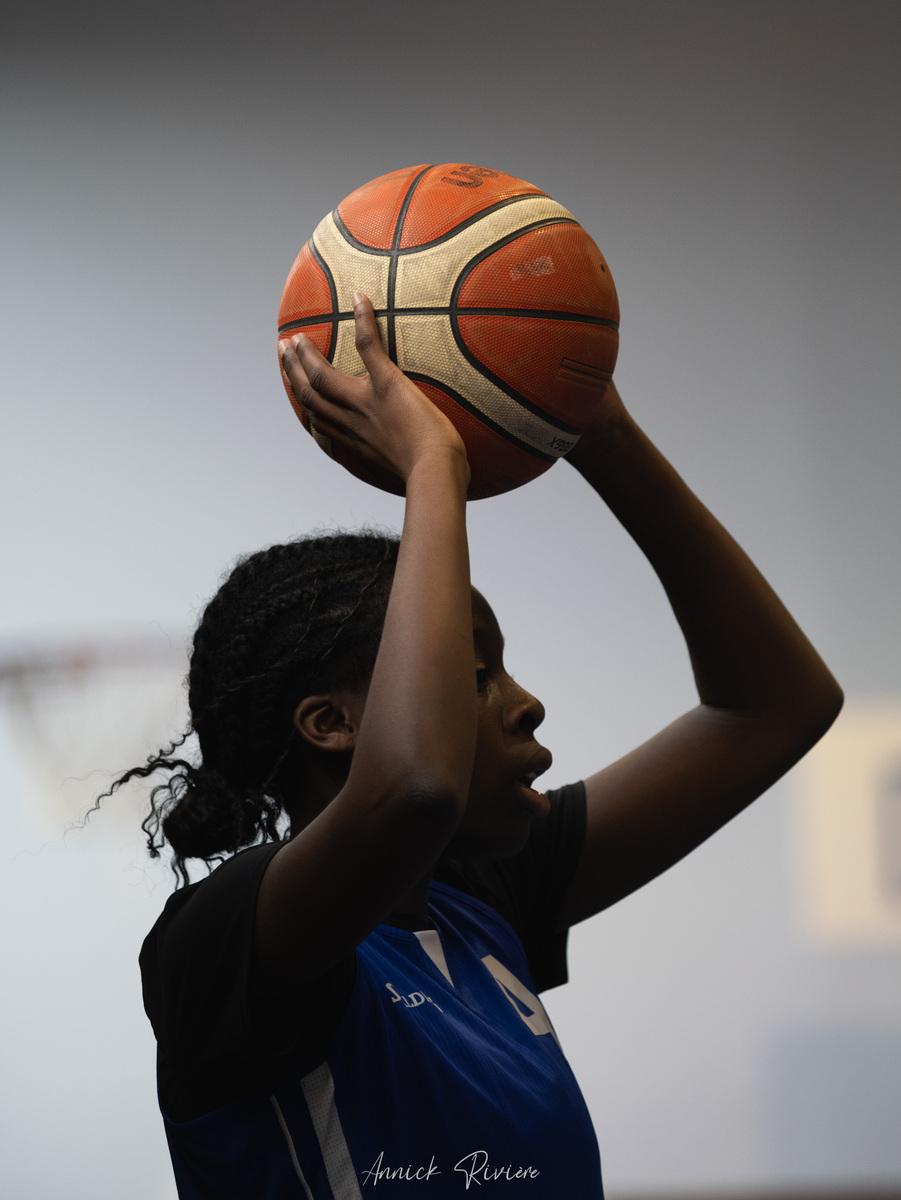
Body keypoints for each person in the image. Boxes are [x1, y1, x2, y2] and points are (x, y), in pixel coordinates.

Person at [127, 292, 842, 1198]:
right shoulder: (229, 938)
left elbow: (775, 707)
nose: (527, 704)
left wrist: (598, 435)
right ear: (331, 724)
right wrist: (432, 466)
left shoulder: (479, 899)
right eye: (474, 674)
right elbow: (413, 791)